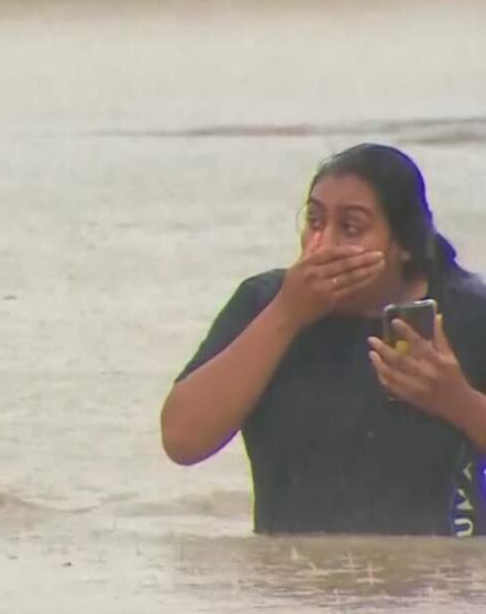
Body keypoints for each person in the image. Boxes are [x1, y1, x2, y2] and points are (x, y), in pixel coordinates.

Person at [161, 143, 486, 536]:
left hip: (436, 588)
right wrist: (286, 314)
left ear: (403, 244)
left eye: (351, 228)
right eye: (315, 222)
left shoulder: (468, 314)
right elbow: (182, 440)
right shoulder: (264, 304)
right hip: (294, 588)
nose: (324, 245)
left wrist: (459, 402)